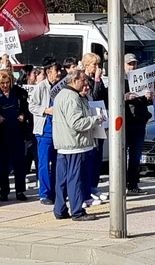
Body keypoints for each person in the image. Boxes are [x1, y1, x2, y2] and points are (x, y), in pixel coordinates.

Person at [52, 69, 103, 221]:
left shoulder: (62, 95)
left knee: (62, 180)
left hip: (65, 144)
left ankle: (60, 209)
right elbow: (76, 123)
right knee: (75, 179)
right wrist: (96, 119)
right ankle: (77, 211)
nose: (86, 84)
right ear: (74, 81)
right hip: (75, 144)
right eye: (83, 81)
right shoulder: (72, 98)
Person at [0, 69, 29, 202]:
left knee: (19, 163)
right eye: (2, 84)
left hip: (17, 131)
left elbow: (26, 106)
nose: (5, 86)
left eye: (7, 83)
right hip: (2, 133)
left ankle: (20, 190)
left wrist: (23, 114)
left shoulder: (18, 93)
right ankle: (4, 191)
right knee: (3, 164)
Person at [29, 60, 63, 205]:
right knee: (43, 163)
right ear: (49, 72)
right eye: (57, 70)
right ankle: (44, 193)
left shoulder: (61, 87)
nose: (59, 73)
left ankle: (57, 192)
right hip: (44, 131)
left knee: (58, 163)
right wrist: (45, 110)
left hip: (59, 130)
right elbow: (32, 106)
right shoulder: (40, 87)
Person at [79, 53, 108, 204]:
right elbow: (94, 97)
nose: (97, 68)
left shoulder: (99, 80)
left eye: (98, 65)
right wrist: (96, 79)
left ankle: (94, 185)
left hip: (100, 120)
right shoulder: (85, 80)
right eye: (94, 65)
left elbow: (104, 97)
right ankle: (88, 188)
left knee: (98, 155)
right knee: (90, 155)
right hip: (90, 120)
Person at [123, 54, 153, 195]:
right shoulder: (120, 81)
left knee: (136, 157)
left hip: (139, 122)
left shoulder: (142, 79)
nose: (133, 66)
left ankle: (133, 184)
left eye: (134, 64)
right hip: (126, 123)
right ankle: (121, 185)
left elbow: (146, 102)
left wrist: (148, 97)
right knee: (122, 156)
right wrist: (125, 97)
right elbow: (110, 99)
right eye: (130, 64)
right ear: (123, 65)